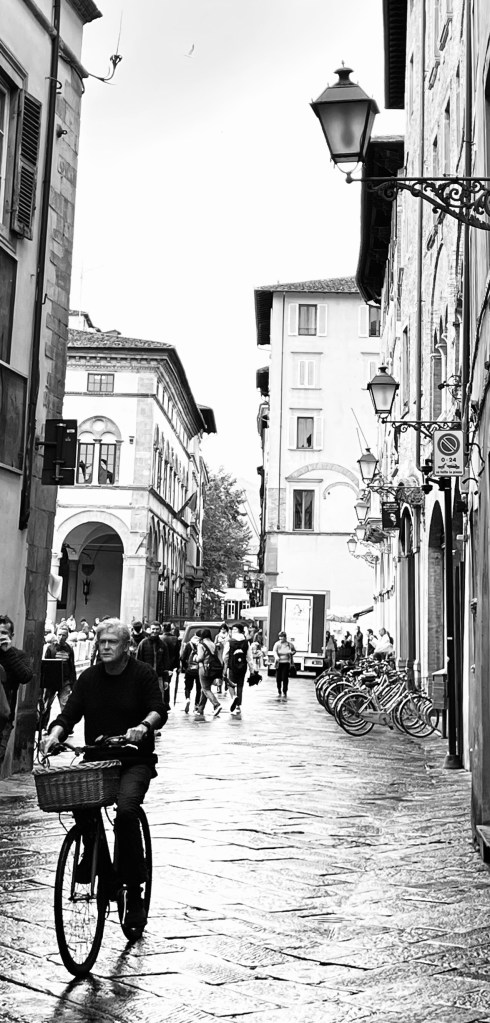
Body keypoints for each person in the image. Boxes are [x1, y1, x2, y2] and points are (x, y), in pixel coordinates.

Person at [41, 618, 166, 929]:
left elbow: (158, 709)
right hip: (98, 759)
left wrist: (143, 726)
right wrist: (55, 733)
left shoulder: (142, 674)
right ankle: (99, 863)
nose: (106, 647)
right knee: (79, 800)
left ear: (126, 647)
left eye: (113, 642)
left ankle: (134, 891)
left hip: (134, 759)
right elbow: (69, 713)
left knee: (126, 812)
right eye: (102, 642)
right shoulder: (90, 678)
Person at [0, 615, 34, 763]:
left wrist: (8, 652)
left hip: (3, 720)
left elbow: (26, 676)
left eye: (3, 633)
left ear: (11, 635)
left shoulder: (17, 655)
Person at [43, 624, 77, 712]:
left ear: (67, 636)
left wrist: (73, 684)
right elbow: (46, 666)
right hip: (52, 682)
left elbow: (72, 666)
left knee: (65, 706)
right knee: (46, 706)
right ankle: (44, 721)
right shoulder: (50, 648)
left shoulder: (69, 649)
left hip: (65, 682)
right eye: (59, 635)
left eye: (63, 635)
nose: (61, 637)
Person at [223, 623, 254, 715]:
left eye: (234, 629)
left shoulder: (229, 642)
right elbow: (249, 657)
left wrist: (226, 665)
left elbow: (225, 656)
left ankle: (234, 697)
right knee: (240, 685)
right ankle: (238, 705)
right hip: (243, 666)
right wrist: (251, 670)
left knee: (230, 684)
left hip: (232, 666)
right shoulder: (246, 642)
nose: (232, 631)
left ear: (239, 630)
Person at [137, 622, 170, 704]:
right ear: (149, 630)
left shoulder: (163, 645)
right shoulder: (143, 643)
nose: (155, 631)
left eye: (157, 629)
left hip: (159, 677)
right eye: (153, 629)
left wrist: (166, 680)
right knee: (144, 699)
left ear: (160, 630)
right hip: (146, 677)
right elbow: (138, 661)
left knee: (159, 700)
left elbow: (166, 663)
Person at [195, 629, 222, 718]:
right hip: (213, 669)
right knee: (205, 689)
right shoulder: (213, 644)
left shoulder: (201, 644)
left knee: (205, 689)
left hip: (204, 668)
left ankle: (216, 704)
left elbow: (200, 657)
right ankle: (200, 709)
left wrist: (195, 658)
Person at [160, 623, 180, 708]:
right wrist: (178, 666)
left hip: (161, 664)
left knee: (161, 682)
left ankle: (163, 701)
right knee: (167, 682)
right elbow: (177, 654)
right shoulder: (175, 639)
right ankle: (166, 702)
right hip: (170, 664)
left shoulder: (160, 638)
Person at [180, 632, 201, 713]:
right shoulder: (201, 644)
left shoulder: (189, 644)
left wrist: (185, 667)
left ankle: (188, 699)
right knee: (199, 688)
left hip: (189, 670)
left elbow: (182, 657)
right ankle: (196, 705)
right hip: (199, 670)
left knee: (188, 687)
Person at [272, 630, 296, 701]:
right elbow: (274, 651)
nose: (281, 639)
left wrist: (292, 653)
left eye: (282, 637)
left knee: (285, 677)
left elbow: (294, 650)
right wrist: (276, 657)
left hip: (286, 662)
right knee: (278, 678)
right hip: (279, 663)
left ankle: (285, 690)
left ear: (285, 637)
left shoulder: (289, 644)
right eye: (280, 637)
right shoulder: (277, 644)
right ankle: (279, 689)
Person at [214, 623, 229, 693]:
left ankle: (226, 683)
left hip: (227, 655)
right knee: (219, 671)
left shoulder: (229, 636)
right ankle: (219, 686)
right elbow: (214, 645)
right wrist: (217, 645)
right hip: (219, 655)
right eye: (222, 629)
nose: (223, 630)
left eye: (224, 629)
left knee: (225, 672)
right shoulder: (217, 636)